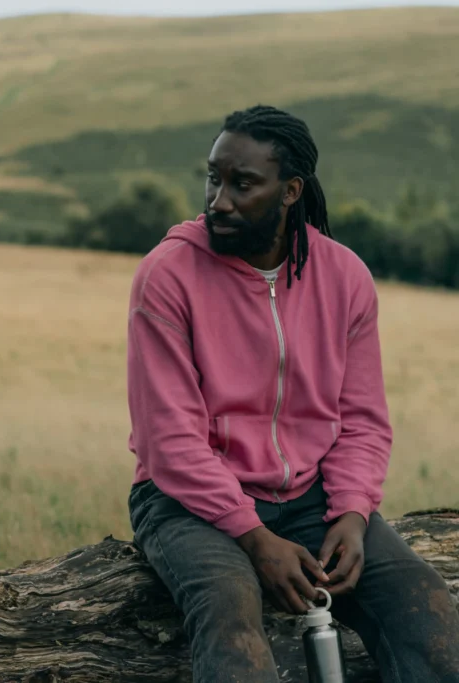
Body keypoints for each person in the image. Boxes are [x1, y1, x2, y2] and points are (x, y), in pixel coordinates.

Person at [125, 104, 459, 682]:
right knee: (231, 608)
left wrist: (353, 513)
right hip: (185, 501)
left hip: (311, 496)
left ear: (290, 191)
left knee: (423, 608)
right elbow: (170, 441)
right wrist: (254, 538)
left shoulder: (344, 276)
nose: (218, 200)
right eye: (213, 177)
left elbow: (362, 421)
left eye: (242, 184)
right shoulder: (168, 274)